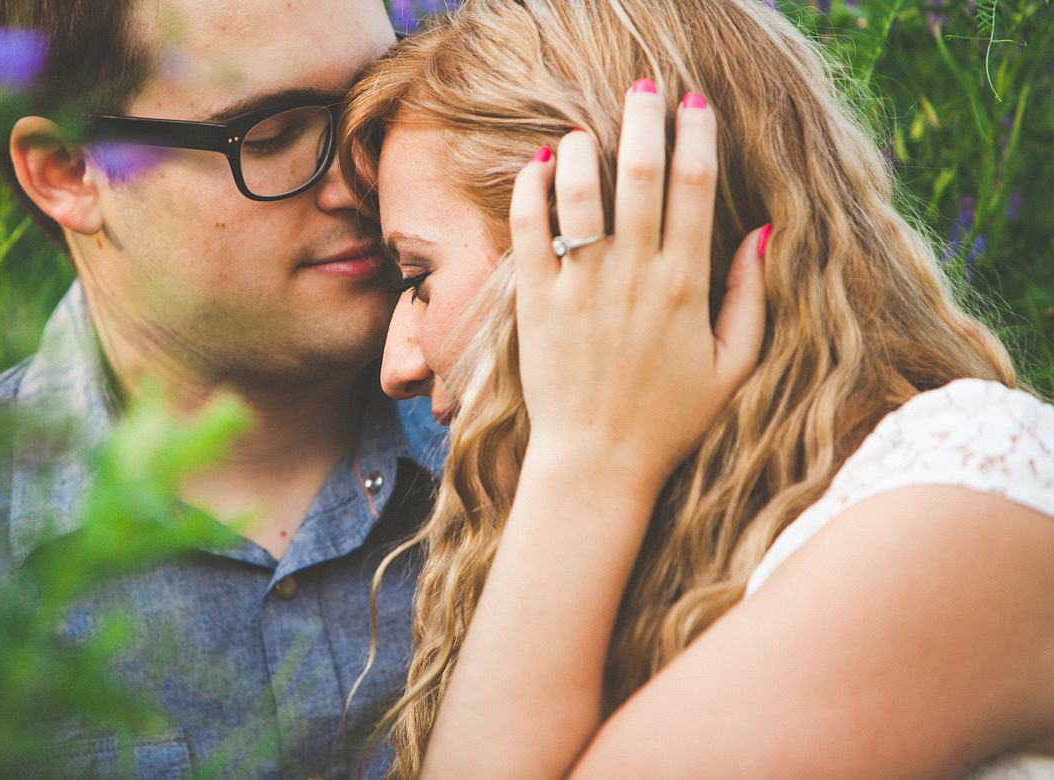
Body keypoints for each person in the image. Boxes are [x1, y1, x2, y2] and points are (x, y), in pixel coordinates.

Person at [337, 0, 1054, 777]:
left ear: (605, 234)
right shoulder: (675, 532)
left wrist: (590, 456)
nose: (398, 364)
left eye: (418, 278)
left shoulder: (961, 502)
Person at [0, 0, 446, 777]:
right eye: (273, 133)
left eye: (379, 103)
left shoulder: (542, 426)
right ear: (69, 170)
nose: (364, 177)